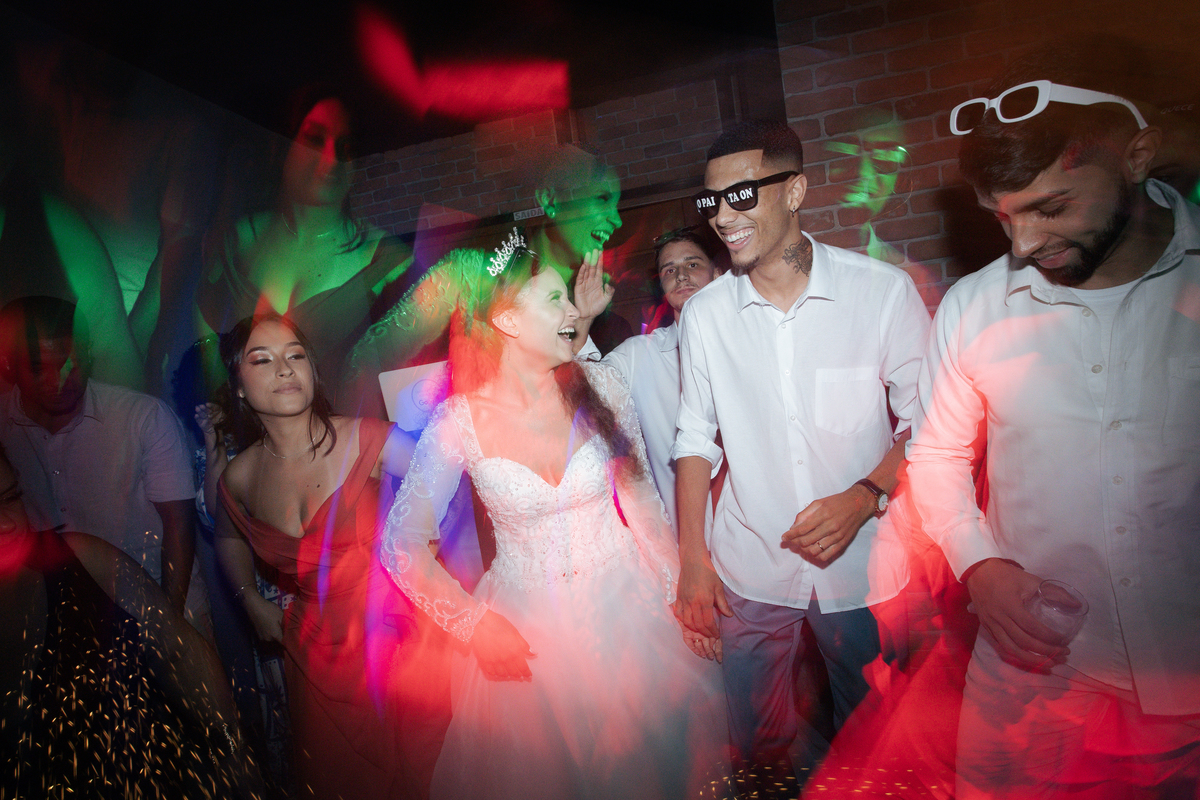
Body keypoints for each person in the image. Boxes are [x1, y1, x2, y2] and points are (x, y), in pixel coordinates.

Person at [907, 51, 1200, 798]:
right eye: (1004, 217)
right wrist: (980, 568)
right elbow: (935, 457)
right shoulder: (975, 306)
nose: (1024, 245)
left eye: (1052, 207)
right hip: (1034, 676)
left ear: (1137, 155)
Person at [379, 236, 727, 800]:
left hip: (630, 614)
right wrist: (473, 623)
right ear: (508, 321)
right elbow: (401, 542)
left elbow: (643, 506)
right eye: (556, 301)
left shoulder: (602, 385)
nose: (573, 312)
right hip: (528, 633)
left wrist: (679, 597)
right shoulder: (457, 422)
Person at [671, 120, 929, 789]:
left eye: (742, 194)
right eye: (712, 201)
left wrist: (865, 496)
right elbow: (694, 439)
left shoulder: (881, 292)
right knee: (758, 749)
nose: (723, 216)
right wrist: (693, 559)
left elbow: (928, 425)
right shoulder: (704, 315)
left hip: (861, 568)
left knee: (874, 738)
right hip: (750, 567)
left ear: (795, 191)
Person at [214, 313, 450, 800]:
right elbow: (228, 539)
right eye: (262, 360)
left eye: (295, 355)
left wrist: (426, 546)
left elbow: (454, 487)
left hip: (399, 636)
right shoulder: (239, 476)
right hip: (316, 654)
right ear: (237, 386)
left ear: (313, 371)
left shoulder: (370, 439)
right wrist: (249, 599)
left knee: (424, 774)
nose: (284, 368)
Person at [0, 443, 258, 798]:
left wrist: (231, 751)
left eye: (10, 499)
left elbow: (179, 652)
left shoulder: (82, 561)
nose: (7, 522)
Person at [197, 89, 411, 415]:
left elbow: (409, 387)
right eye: (314, 139)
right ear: (284, 145)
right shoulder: (239, 241)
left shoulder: (388, 261)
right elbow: (204, 336)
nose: (331, 160)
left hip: (347, 442)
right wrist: (225, 414)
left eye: (346, 148)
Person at [0, 296, 203, 622]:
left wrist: (170, 620)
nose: (58, 379)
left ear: (88, 354)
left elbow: (179, 522)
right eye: (38, 368)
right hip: (62, 613)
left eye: (69, 364)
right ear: (8, 364)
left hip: (159, 595)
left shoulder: (142, 417)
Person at [578, 226, 720, 538]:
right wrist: (584, 319)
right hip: (684, 544)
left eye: (692, 264)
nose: (681, 275)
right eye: (670, 269)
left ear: (717, 274)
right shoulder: (639, 355)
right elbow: (580, 393)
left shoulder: (751, 342)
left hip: (764, 545)